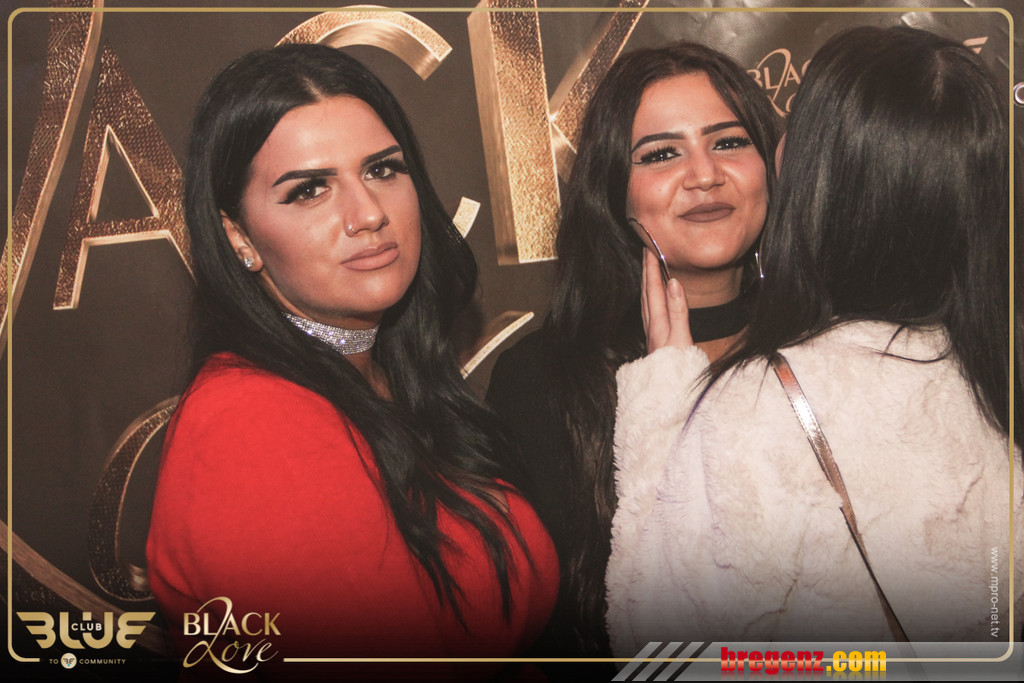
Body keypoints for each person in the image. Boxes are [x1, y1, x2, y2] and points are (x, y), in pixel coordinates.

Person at [145, 43, 558, 673]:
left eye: (383, 169)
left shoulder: (386, 380)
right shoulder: (248, 425)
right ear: (238, 237)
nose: (368, 214)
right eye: (310, 190)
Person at [607, 25, 1023, 650]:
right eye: (662, 153)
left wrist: (661, 406)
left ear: (825, 179)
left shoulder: (761, 402)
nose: (706, 175)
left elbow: (655, 645)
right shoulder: (989, 373)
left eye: (790, 131)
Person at [487, 42, 778, 659]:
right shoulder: (543, 378)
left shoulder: (835, 351)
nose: (704, 175)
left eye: (729, 142)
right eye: (662, 153)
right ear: (615, 191)